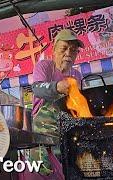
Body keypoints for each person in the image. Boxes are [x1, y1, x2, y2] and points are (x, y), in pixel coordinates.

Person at [31, 29, 84, 175]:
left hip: (67, 132)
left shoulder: (77, 75)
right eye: (64, 48)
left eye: (73, 50)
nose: (68, 53)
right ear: (54, 50)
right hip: (43, 132)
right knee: (42, 172)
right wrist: (57, 87)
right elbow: (37, 89)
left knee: (70, 170)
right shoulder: (44, 66)